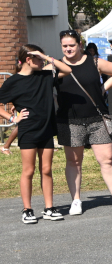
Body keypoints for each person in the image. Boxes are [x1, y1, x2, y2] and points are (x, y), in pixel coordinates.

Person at [56, 30, 112, 214]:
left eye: (72, 45)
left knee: (107, 159)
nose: (68, 49)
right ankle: (75, 201)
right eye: (65, 46)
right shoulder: (56, 65)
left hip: (97, 117)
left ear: (80, 45)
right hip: (69, 120)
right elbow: (38, 80)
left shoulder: (94, 62)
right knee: (74, 162)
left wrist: (103, 88)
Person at [0, 45, 72, 223]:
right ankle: (27, 209)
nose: (42, 61)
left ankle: (49, 208)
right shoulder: (13, 81)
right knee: (29, 171)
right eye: (39, 59)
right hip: (28, 129)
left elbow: (67, 69)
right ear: (28, 60)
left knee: (46, 170)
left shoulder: (45, 76)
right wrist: (12, 118)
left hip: (46, 128)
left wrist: (44, 56)